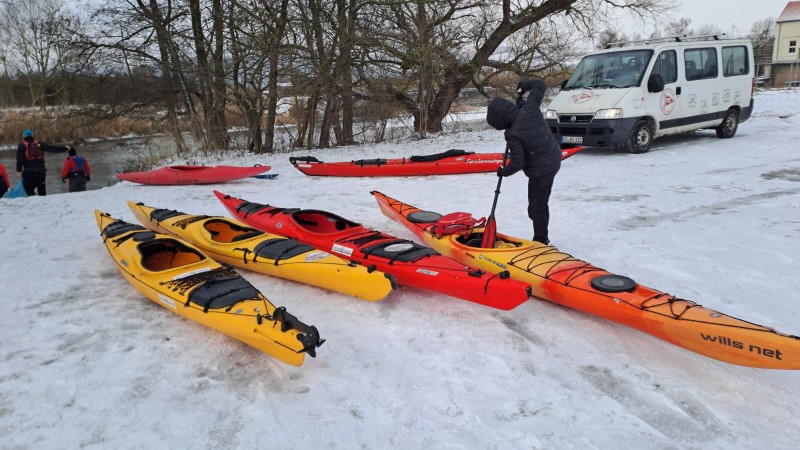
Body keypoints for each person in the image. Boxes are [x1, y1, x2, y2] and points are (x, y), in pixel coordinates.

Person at [485, 79, 561, 245]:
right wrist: (523, 88)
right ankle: (541, 236)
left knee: (536, 207)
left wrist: (502, 171)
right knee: (540, 203)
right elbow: (540, 85)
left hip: (540, 170)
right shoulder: (530, 106)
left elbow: (518, 162)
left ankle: (541, 241)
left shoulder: (512, 134)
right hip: (553, 158)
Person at [16, 129, 70, 196]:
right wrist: (64, 148)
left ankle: (33, 203)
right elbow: (52, 148)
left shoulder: (22, 145)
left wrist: (19, 170)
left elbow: (19, 159)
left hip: (29, 173)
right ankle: (42, 203)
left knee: (29, 192)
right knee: (42, 192)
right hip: (41, 172)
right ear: (32, 135)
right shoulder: (39, 144)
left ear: (23, 136)